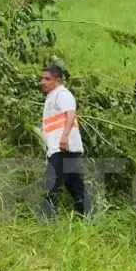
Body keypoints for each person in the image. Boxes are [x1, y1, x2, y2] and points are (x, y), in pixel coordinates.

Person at [40, 63, 90, 217]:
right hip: (64, 148)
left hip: (63, 147)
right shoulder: (53, 96)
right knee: (74, 184)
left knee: (51, 183)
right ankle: (87, 215)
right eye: (42, 78)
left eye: (47, 79)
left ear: (58, 81)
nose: (43, 82)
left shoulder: (62, 94)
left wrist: (64, 136)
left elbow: (70, 113)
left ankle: (47, 218)